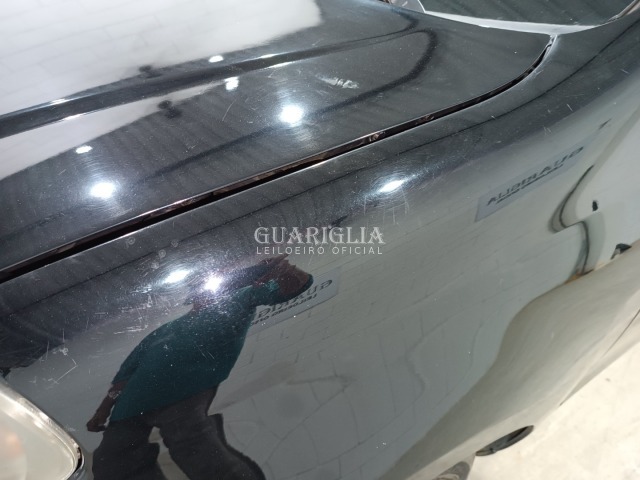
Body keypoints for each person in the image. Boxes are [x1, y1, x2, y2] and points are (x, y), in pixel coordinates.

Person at [88, 256, 312, 480]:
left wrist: (284, 270)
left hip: (183, 395)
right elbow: (125, 375)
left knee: (198, 453)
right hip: (129, 405)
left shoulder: (237, 301)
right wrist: (103, 410)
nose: (202, 289)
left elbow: (293, 287)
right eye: (197, 286)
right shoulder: (164, 329)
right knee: (112, 463)